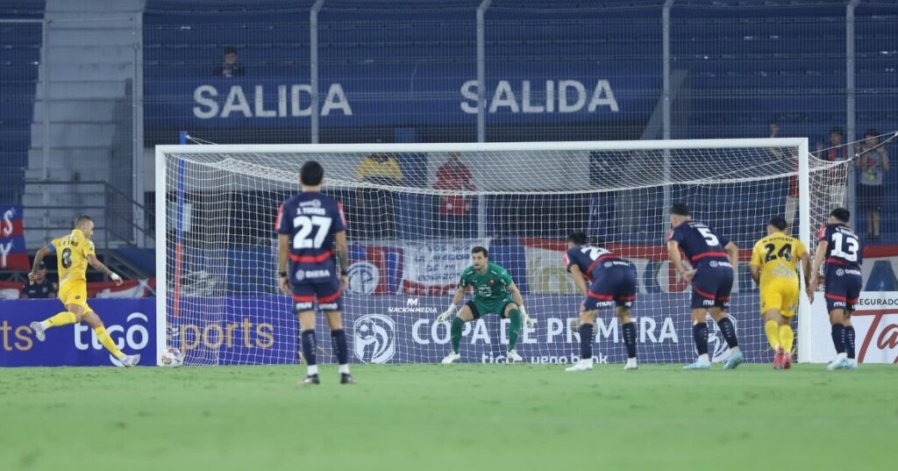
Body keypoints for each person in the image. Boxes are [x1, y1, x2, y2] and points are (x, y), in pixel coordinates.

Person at [277, 160, 354, 385]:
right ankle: (344, 373)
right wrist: (344, 272)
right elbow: (341, 245)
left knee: (307, 325)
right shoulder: (332, 206)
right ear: (323, 180)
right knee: (336, 324)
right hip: (326, 272)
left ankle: (312, 374)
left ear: (299, 180)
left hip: (300, 272)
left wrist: (282, 274)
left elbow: (283, 245)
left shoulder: (288, 206)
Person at [28, 216, 140, 367]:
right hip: (76, 284)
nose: (92, 233)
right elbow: (93, 262)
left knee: (96, 322)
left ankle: (123, 358)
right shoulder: (86, 242)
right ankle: (42, 325)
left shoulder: (59, 241)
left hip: (63, 288)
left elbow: (40, 253)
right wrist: (112, 274)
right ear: (85, 227)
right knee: (75, 316)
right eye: (92, 229)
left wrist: (34, 272)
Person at [666, 203, 743, 370]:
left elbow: (671, 246)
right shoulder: (706, 227)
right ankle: (735, 352)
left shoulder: (678, 229)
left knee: (698, 314)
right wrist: (730, 268)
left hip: (707, 271)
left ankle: (703, 360)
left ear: (673, 219)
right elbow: (733, 248)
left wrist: (682, 271)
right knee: (718, 312)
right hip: (725, 271)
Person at [435, 246, 534, 364]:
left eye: (479, 258)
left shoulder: (498, 272)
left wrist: (524, 314)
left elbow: (514, 290)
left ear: (486, 259)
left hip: (500, 300)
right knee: (456, 321)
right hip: (479, 302)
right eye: (474, 258)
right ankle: (455, 353)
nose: (476, 261)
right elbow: (461, 291)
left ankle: (511, 350)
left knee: (515, 313)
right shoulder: (468, 273)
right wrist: (449, 311)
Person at [563, 231, 638, 372]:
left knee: (586, 314)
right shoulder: (598, 250)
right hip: (627, 271)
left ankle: (585, 362)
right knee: (625, 315)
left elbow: (576, 273)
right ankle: (632, 361)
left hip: (608, 272)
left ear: (570, 244)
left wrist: (586, 297)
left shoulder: (571, 252)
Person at [749, 216, 812, 370]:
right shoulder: (795, 242)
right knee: (785, 323)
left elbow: (753, 268)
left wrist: (760, 282)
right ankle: (788, 352)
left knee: (770, 321)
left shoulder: (760, 244)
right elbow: (806, 257)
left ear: (769, 229)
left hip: (771, 283)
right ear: (786, 231)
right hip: (791, 283)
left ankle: (778, 348)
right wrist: (807, 282)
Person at [809, 207, 863, 371]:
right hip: (855, 276)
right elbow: (857, 262)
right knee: (847, 318)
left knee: (836, 317)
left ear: (832, 218)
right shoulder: (855, 235)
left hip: (838, 275)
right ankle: (852, 359)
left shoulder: (827, 228)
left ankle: (840, 355)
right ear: (847, 221)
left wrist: (813, 274)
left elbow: (823, 246)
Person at [354, 152, 403, 239]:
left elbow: (399, 180)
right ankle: (368, 239)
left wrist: (387, 184)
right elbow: (359, 181)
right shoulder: (366, 161)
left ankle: (388, 238)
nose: (379, 153)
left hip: (386, 193)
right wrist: (360, 197)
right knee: (370, 218)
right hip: (370, 194)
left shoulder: (391, 161)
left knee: (387, 218)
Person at [856, 130, 890, 241]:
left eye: (871, 138)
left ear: (877, 139)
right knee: (868, 210)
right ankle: (869, 232)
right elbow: (863, 168)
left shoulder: (880, 151)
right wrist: (865, 153)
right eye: (867, 138)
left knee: (875, 210)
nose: (869, 141)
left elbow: (886, 168)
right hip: (865, 184)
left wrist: (883, 153)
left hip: (877, 185)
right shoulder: (863, 151)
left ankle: (876, 233)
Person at [433, 152, 476, 238]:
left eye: (455, 154)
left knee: (461, 231)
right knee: (446, 231)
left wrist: (468, 199)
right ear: (448, 154)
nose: (453, 156)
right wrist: (443, 196)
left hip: (461, 206)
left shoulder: (464, 169)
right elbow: (435, 186)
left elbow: (471, 187)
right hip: (447, 206)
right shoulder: (442, 169)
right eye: (451, 154)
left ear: (459, 155)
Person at [767, 123, 799, 229]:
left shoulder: (809, 162)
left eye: (797, 148)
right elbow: (770, 147)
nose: (795, 150)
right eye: (794, 148)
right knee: (788, 223)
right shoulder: (787, 161)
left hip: (808, 197)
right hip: (792, 196)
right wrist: (774, 133)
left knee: (811, 221)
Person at [815, 127, 849, 210]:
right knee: (834, 209)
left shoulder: (847, 150)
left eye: (835, 136)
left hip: (845, 184)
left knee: (844, 208)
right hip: (832, 184)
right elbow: (820, 165)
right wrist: (819, 151)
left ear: (840, 137)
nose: (833, 138)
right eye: (831, 136)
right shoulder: (828, 151)